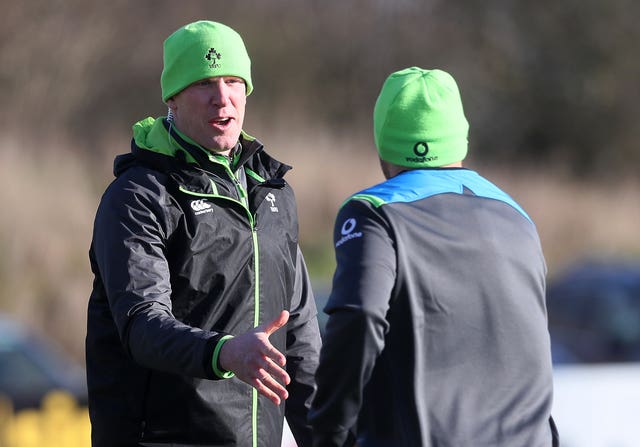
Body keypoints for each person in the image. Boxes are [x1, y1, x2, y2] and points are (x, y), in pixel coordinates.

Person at [86, 20, 321, 447]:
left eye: (233, 81)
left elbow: (301, 337)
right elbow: (142, 325)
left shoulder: (273, 193)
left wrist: (330, 437)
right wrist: (224, 352)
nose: (222, 98)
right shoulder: (139, 194)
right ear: (172, 99)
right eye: (203, 84)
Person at [309, 67, 559, 446]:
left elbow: (360, 316)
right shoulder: (517, 215)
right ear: (460, 138)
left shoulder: (373, 211)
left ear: (383, 142)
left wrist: (327, 429)